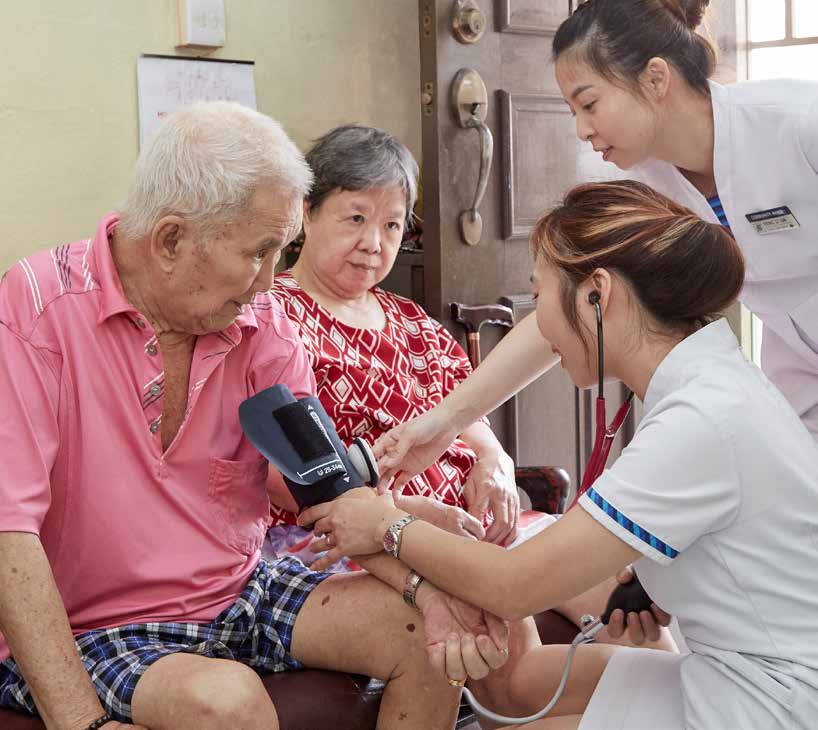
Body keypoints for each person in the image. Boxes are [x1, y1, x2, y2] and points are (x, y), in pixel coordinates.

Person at [0, 102, 510, 730]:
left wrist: (426, 592)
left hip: (241, 592)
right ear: (170, 239)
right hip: (98, 623)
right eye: (260, 252)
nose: (272, 282)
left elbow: (322, 488)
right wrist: (83, 724)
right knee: (227, 700)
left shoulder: (259, 322)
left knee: (429, 637)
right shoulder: (37, 309)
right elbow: (8, 531)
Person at [300, 181, 818, 729]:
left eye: (539, 293)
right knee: (515, 689)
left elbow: (514, 584)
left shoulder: (700, 420)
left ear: (598, 295)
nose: (540, 322)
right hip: (739, 673)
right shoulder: (711, 382)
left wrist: (388, 524)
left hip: (772, 702)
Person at [269, 124, 520, 546]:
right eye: (356, 218)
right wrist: (400, 515)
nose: (373, 243)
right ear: (306, 212)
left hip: (471, 531)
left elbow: (469, 413)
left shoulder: (413, 320)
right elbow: (275, 472)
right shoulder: (274, 317)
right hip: (355, 541)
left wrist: (496, 461)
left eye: (391, 226)